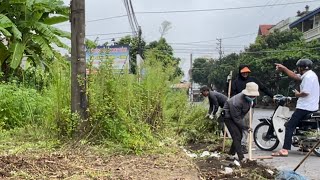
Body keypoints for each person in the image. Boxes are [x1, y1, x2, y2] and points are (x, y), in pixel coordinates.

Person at [272, 59, 319, 157]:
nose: (297, 69)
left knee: (289, 126)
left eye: (298, 67)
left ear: (301, 67)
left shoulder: (308, 77)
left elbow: (305, 92)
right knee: (302, 126)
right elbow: (295, 76)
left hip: (305, 107)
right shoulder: (310, 75)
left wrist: (298, 94)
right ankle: (305, 146)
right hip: (312, 107)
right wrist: (284, 68)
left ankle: (284, 150)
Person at [231, 65, 273, 154]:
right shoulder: (235, 82)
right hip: (238, 107)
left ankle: (243, 145)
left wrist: (272, 96)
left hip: (249, 107)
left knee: (246, 125)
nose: (245, 74)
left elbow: (263, 88)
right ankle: (236, 144)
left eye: (247, 72)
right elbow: (232, 95)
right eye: (243, 72)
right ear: (240, 72)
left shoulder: (253, 80)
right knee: (238, 125)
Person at [223, 82, 260, 162]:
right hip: (229, 117)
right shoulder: (236, 102)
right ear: (246, 94)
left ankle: (230, 155)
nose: (253, 97)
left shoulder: (250, 99)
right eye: (251, 96)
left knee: (238, 136)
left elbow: (244, 112)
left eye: (254, 96)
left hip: (238, 117)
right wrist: (246, 127)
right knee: (237, 136)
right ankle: (241, 158)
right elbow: (236, 119)